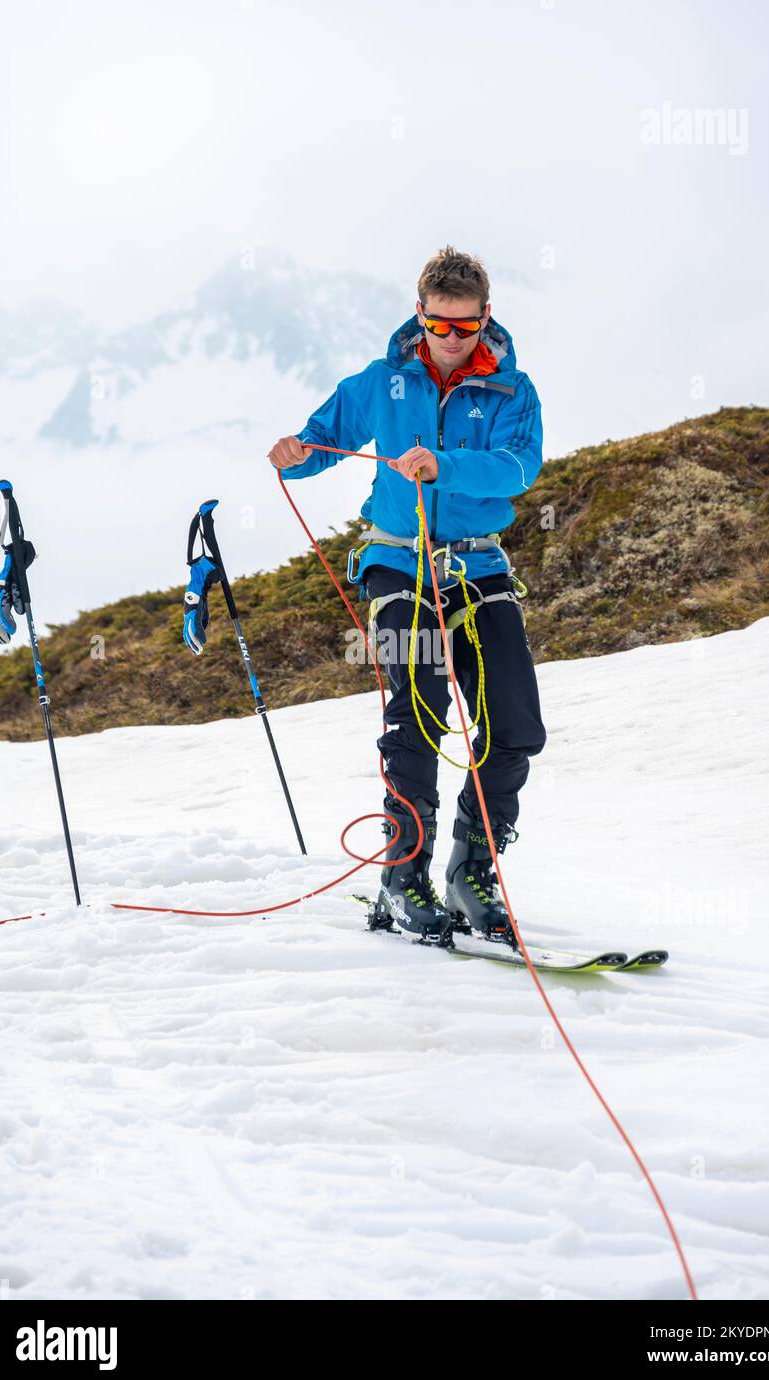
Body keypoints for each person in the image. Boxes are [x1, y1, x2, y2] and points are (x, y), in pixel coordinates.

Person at [269, 245, 546, 942]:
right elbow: (322, 439)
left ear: (487, 318)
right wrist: (296, 452)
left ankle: (470, 871)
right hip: (397, 565)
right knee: (416, 710)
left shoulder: (516, 391)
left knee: (515, 726)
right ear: (419, 315)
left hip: (479, 568)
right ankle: (403, 873)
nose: (453, 342)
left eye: (468, 327)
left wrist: (444, 464)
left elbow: (519, 468)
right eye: (440, 326)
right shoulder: (381, 381)